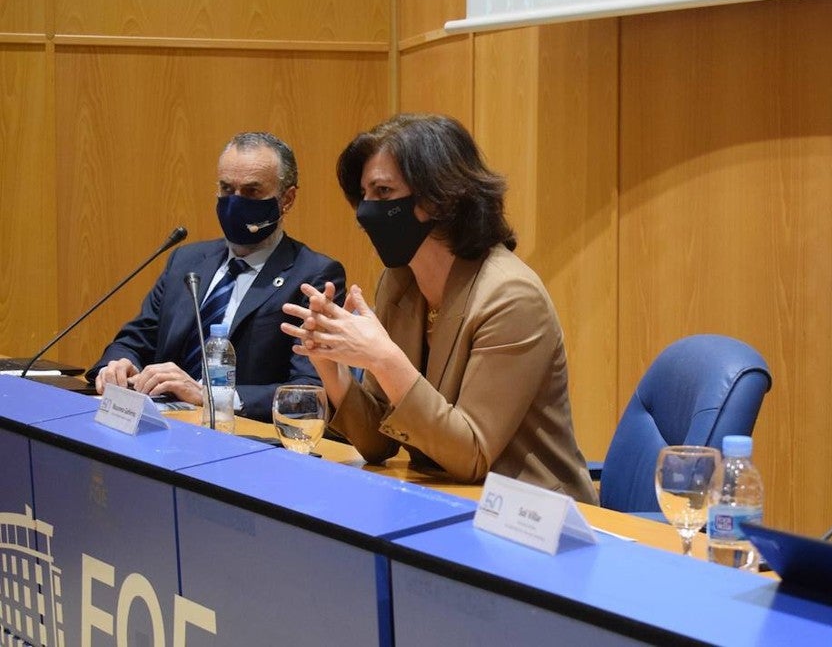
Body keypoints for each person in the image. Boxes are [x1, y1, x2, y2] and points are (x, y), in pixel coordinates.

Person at [280, 114, 598, 504]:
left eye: (382, 192)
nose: (365, 212)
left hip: (532, 517)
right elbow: (378, 443)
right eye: (363, 195)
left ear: (439, 197)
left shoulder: (511, 297)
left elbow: (471, 454)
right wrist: (332, 367)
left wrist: (383, 359)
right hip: (443, 499)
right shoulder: (400, 282)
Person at [86, 132, 347, 421]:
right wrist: (118, 365)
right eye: (226, 189)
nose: (234, 204)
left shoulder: (312, 275)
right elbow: (135, 340)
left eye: (251, 192)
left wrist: (210, 396)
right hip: (161, 427)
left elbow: (310, 393)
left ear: (287, 199)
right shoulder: (186, 261)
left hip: (242, 442)